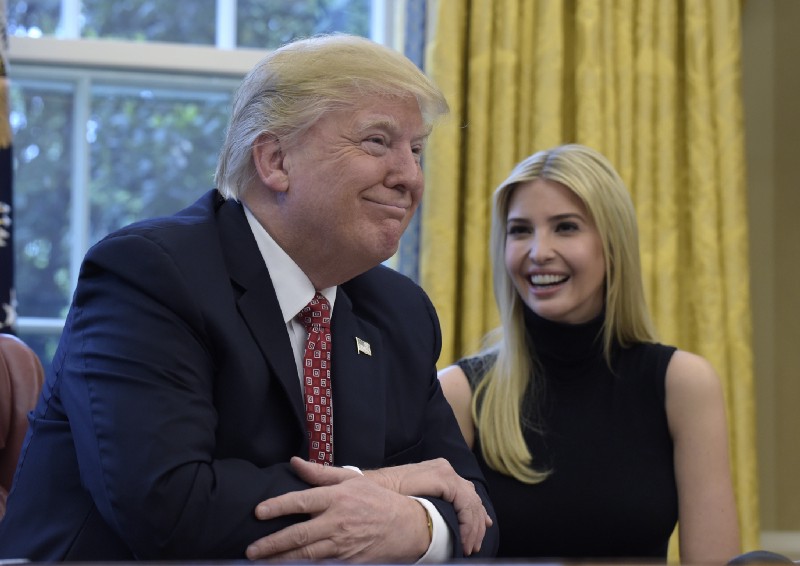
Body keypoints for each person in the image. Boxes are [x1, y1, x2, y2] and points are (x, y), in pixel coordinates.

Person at [0, 34, 498, 561]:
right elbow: (168, 506)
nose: (410, 177)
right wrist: (380, 490)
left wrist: (420, 526)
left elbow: (474, 515)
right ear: (275, 160)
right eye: (377, 142)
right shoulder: (150, 275)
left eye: (416, 150)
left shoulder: (400, 311)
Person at [438, 143, 741, 562]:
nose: (538, 251)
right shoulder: (460, 393)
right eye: (520, 230)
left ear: (612, 243)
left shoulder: (684, 385)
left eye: (565, 227)